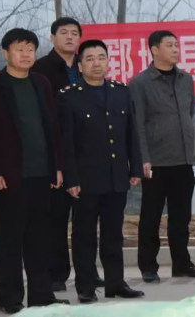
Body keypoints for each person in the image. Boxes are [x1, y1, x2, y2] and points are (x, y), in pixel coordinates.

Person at [0, 28, 69, 314]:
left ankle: (42, 295)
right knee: (9, 241)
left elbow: (52, 128)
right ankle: (11, 299)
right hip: (8, 176)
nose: (26, 54)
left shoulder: (41, 83)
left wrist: (56, 166)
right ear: (6, 53)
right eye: (19, 49)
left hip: (41, 174)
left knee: (40, 238)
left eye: (30, 49)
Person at [58, 40, 145, 303]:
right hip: (85, 180)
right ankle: (85, 287)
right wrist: (70, 178)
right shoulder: (69, 96)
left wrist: (135, 167)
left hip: (116, 176)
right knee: (84, 235)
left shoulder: (121, 92)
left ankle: (115, 283)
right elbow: (66, 142)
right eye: (90, 59)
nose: (96, 63)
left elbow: (131, 133)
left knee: (113, 234)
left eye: (101, 58)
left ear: (108, 61)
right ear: (80, 65)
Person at [129, 30, 195, 283]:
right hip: (155, 161)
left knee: (181, 216)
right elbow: (137, 124)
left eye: (177, 45)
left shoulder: (186, 79)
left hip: (183, 159)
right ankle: (148, 267)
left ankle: (182, 264)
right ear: (154, 50)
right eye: (169, 45)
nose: (175, 50)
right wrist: (142, 158)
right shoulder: (140, 83)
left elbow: (189, 113)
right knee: (150, 216)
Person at [32, 17, 104, 291]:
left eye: (75, 33)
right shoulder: (40, 69)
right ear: (52, 38)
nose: (70, 37)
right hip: (56, 153)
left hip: (86, 155)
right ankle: (56, 274)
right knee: (56, 219)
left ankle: (88, 273)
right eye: (64, 33)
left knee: (86, 221)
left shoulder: (85, 67)